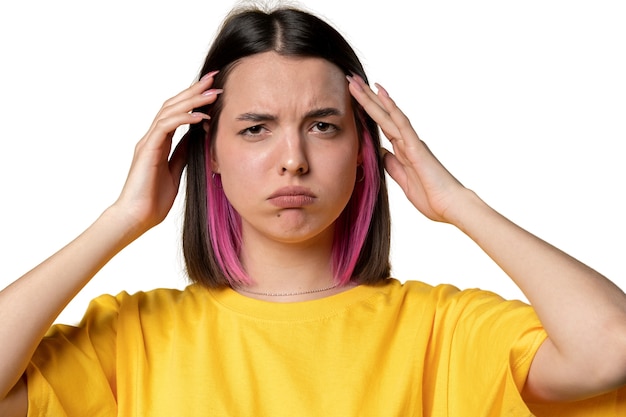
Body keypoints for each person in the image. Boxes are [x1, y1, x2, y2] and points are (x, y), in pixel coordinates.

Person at [1, 4, 625, 416]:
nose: (293, 159)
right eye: (255, 128)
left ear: (362, 149)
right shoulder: (132, 339)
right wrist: (121, 218)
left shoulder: (444, 330)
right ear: (207, 154)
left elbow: (611, 350)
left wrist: (459, 204)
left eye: (323, 126)